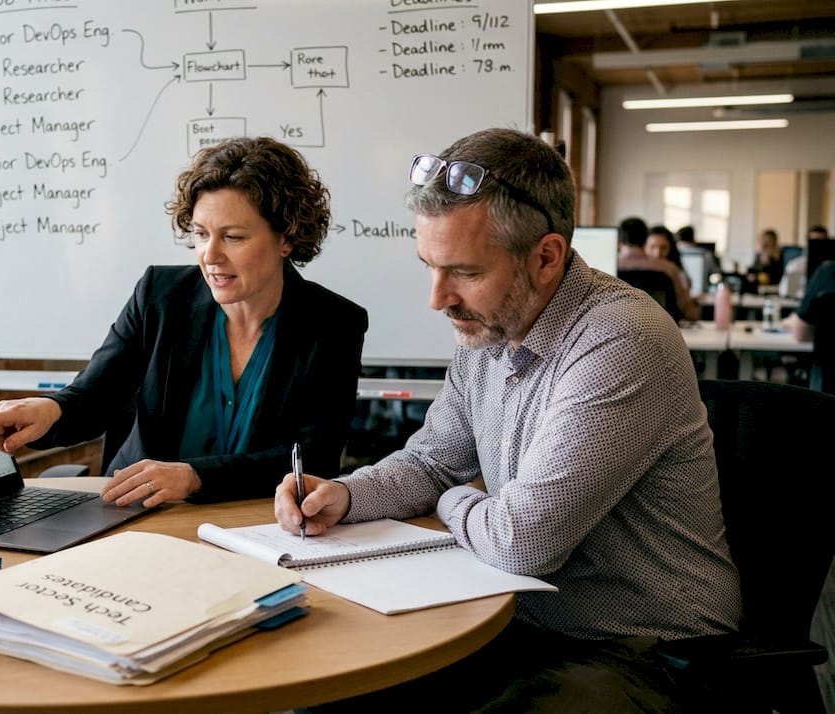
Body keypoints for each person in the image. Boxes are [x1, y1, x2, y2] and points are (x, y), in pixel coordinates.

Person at [275, 128, 741, 711]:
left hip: (645, 645)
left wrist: (451, 502)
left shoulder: (621, 338)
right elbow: (432, 461)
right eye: (430, 267)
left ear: (545, 257)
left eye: (464, 272)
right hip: (514, 617)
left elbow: (521, 544)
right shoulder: (488, 328)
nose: (438, 298)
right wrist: (345, 494)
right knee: (337, 692)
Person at [0, 136, 368, 507]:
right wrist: (50, 409)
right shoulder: (160, 295)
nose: (210, 255)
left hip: (256, 524)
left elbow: (313, 460)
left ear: (287, 237)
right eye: (199, 233)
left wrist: (195, 477)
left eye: (233, 237)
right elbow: (95, 395)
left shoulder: (333, 324)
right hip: (138, 513)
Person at [617, 215, 700, 320]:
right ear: (645, 240)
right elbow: (687, 311)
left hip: (617, 330)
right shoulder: (668, 269)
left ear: (619, 243)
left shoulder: (605, 268)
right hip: (661, 330)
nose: (657, 253)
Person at [643, 224, 690, 290]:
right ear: (644, 247)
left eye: (663, 248)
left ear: (671, 249)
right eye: (652, 247)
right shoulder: (636, 270)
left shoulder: (676, 271)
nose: (657, 254)